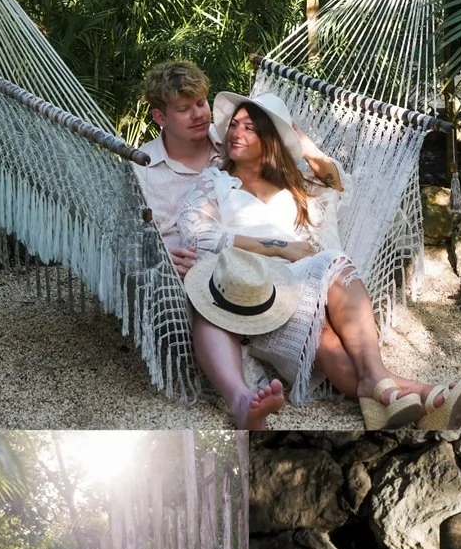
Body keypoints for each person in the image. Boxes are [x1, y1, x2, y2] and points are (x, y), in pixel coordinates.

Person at [178, 91, 461, 431]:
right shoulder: (216, 182)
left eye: (250, 127)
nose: (236, 133)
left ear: (271, 139)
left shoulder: (297, 186)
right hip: (250, 294)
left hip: (298, 293)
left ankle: (393, 390)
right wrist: (280, 246)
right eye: (233, 125)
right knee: (335, 263)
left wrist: (300, 141)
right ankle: (416, 391)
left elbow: (337, 182)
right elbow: (197, 234)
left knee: (325, 338)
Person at [132, 59, 343, 429]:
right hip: (186, 269)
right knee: (209, 295)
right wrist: (161, 257)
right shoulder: (143, 169)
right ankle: (240, 400)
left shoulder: (233, 143)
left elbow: (325, 181)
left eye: (200, 103)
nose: (199, 115)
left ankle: (376, 388)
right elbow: (130, 238)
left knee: (315, 320)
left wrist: (299, 141)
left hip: (258, 266)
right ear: (159, 117)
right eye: (184, 109)